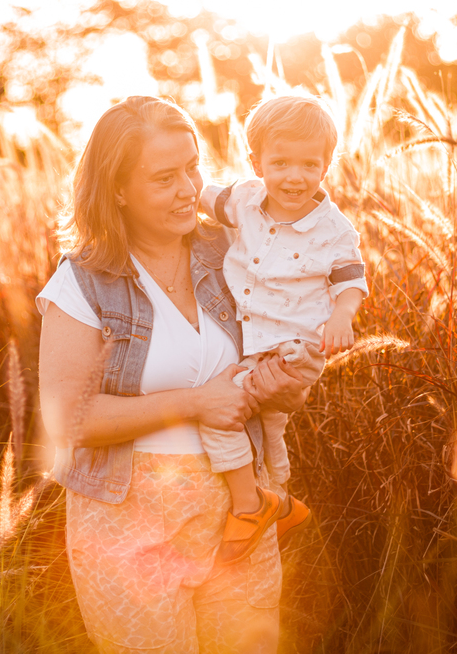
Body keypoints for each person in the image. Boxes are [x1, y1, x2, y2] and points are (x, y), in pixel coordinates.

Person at [37, 96, 310, 653]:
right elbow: (68, 418)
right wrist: (195, 403)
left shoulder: (235, 253)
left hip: (240, 511)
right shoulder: (83, 282)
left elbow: (282, 386)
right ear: (116, 188)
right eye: (165, 178)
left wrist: (287, 382)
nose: (189, 189)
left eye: (193, 167)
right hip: (126, 522)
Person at [198, 94, 367, 565]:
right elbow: (199, 192)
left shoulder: (334, 229)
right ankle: (281, 497)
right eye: (280, 163)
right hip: (249, 344)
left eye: (309, 164)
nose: (295, 176)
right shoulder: (244, 201)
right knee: (268, 428)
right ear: (256, 163)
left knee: (222, 414)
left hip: (296, 347)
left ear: (327, 165)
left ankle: (254, 506)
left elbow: (351, 280)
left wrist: (341, 316)